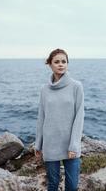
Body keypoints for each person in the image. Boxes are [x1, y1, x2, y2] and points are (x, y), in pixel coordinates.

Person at [34, 48, 85, 191]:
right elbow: (41, 117)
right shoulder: (44, 89)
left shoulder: (76, 86)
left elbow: (79, 117)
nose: (61, 64)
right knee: (52, 184)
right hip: (50, 144)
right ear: (49, 64)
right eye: (56, 62)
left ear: (67, 64)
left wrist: (74, 145)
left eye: (64, 61)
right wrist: (38, 144)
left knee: (72, 185)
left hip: (70, 145)